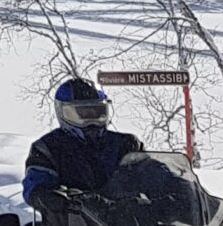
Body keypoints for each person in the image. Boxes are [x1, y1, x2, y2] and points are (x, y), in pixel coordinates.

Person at [22, 77, 140, 207]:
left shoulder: (127, 144)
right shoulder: (48, 148)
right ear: (63, 113)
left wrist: (163, 187)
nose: (92, 121)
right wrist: (47, 197)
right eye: (83, 114)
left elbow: (152, 173)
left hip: (127, 220)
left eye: (97, 112)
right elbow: (35, 184)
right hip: (70, 220)